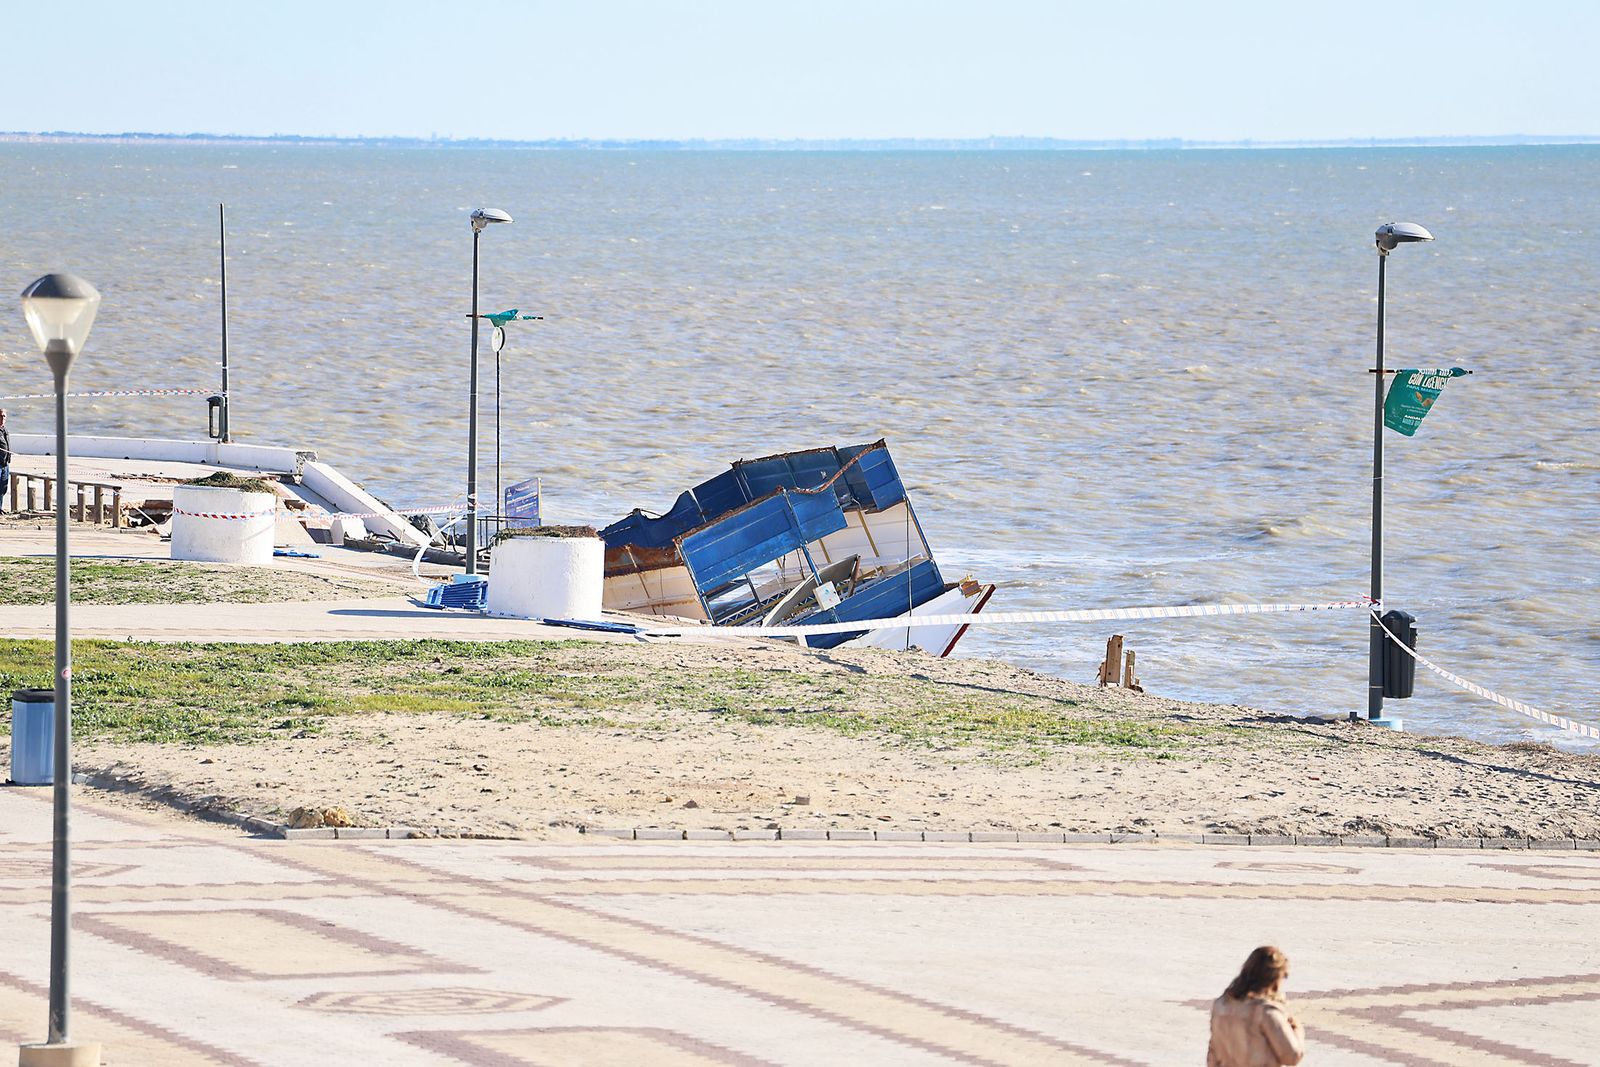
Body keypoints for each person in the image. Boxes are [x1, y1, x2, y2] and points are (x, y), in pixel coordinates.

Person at [1207, 945, 1304, 1066]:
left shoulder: (1221, 1005)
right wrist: (1297, 1031)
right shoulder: (1266, 1013)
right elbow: (1291, 1057)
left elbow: (1212, 1057)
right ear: (1273, 978)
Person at [0, 408, 10, 513]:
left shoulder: (5, 430)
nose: (2, 418)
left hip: (5, 463)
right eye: (0, 416)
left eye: (4, 416)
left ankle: (0, 508)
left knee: (3, 487)